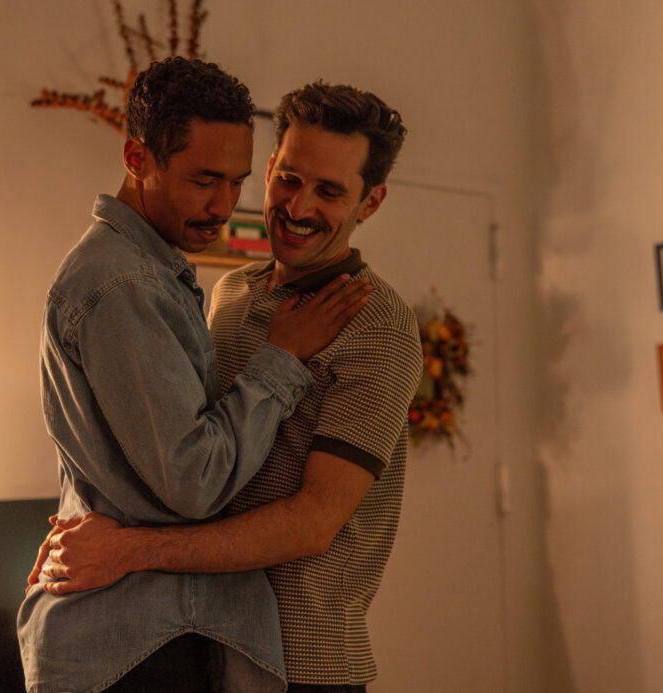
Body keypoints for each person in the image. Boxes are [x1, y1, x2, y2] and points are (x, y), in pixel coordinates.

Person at [33, 81, 424, 693]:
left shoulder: (379, 326)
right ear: (269, 170)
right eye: (288, 179)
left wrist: (126, 549)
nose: (298, 206)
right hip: (210, 641)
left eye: (329, 191)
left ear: (369, 202)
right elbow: (172, 446)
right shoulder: (233, 292)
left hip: (305, 661)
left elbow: (313, 523)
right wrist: (83, 521)